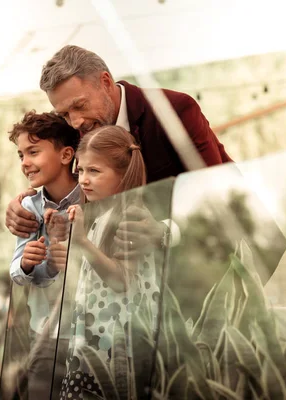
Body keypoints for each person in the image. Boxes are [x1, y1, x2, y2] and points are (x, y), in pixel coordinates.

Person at [5, 45, 232, 255]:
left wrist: (164, 231)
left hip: (214, 249)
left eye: (80, 106)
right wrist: (25, 205)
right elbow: (60, 176)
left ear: (105, 82)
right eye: (64, 114)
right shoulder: (75, 129)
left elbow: (213, 188)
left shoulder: (174, 109)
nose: (75, 122)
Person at [58, 125, 160, 399]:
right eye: (80, 171)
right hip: (94, 339)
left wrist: (81, 242)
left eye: (94, 171)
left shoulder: (131, 215)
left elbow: (122, 280)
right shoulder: (102, 215)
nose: (83, 180)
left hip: (115, 346)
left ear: (123, 174)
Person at [7, 110, 80, 399]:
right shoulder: (28, 208)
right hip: (45, 334)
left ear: (65, 155)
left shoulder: (93, 198)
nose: (25, 163)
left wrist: (72, 259)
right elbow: (16, 273)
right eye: (21, 155)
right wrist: (26, 264)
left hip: (90, 333)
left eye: (33, 152)